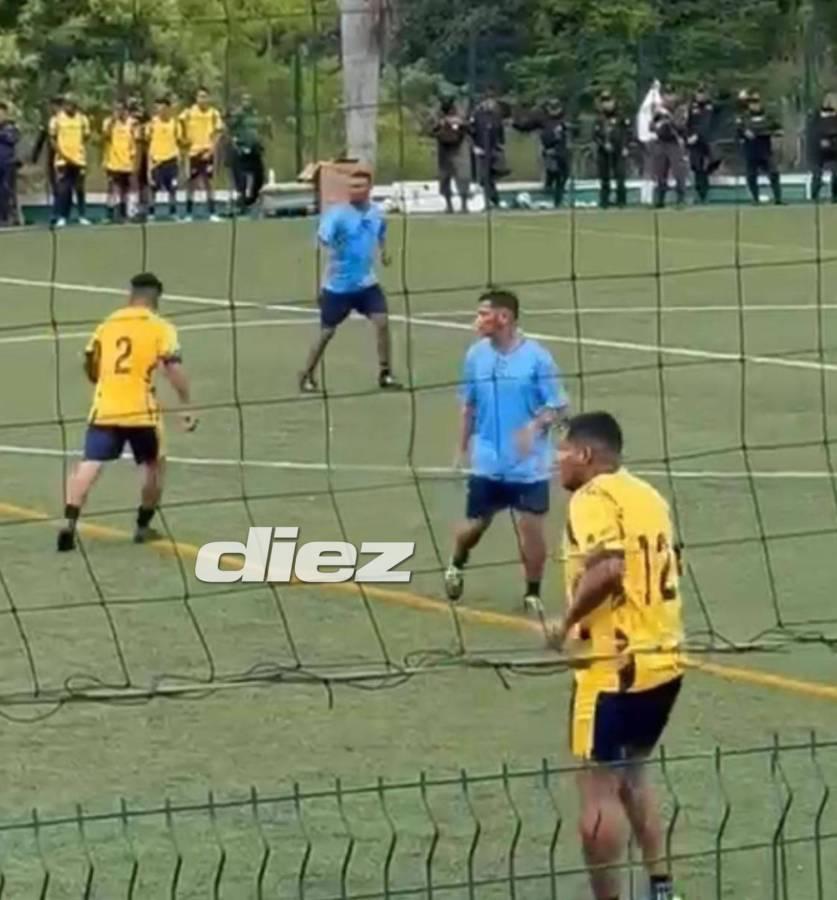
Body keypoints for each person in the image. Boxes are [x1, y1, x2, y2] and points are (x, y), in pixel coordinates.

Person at [546, 411, 684, 900]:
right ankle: (661, 885)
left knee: (598, 791)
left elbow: (608, 570)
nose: (555, 463)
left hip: (612, 671)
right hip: (664, 663)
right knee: (634, 774)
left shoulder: (591, 498)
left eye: (561, 452)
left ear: (585, 455)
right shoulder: (650, 496)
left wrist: (564, 624)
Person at [444, 289, 569, 613]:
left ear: (504, 317)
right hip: (487, 462)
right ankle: (458, 559)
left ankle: (532, 593)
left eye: (483, 314)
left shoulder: (538, 358)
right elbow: (468, 406)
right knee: (475, 526)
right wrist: (460, 449)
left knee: (531, 529)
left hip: (530, 465)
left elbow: (558, 405)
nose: (477, 321)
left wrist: (533, 427)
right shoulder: (475, 356)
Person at [57, 273, 197, 552]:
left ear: (131, 294)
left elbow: (89, 362)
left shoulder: (108, 323)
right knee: (154, 464)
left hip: (106, 407)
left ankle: (70, 523)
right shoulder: (160, 326)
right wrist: (187, 404)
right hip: (142, 412)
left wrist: (104, 381)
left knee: (90, 463)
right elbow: (173, 368)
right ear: (156, 297)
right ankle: (143, 526)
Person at [299, 170, 402, 393]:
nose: (354, 190)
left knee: (382, 322)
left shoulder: (375, 213)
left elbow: (381, 231)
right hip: (338, 287)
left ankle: (385, 373)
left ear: (369, 188)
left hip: (366, 284)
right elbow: (322, 240)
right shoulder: (337, 215)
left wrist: (384, 252)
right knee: (326, 333)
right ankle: (307, 374)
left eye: (359, 186)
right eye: (351, 187)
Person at [513, 98, 572, 208]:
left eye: (556, 108)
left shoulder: (564, 120)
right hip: (550, 152)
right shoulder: (543, 119)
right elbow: (525, 126)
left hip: (562, 152)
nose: (554, 111)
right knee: (555, 172)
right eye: (551, 108)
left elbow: (570, 134)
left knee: (563, 176)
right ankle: (550, 188)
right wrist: (517, 120)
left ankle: (557, 200)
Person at [179, 87, 224, 222]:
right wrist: (184, 141)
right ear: (196, 98)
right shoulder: (188, 113)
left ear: (209, 98)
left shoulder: (213, 114)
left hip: (207, 152)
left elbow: (218, 133)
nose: (202, 99)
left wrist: (211, 150)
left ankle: (212, 212)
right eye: (200, 97)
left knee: (209, 183)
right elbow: (179, 125)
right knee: (191, 183)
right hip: (193, 152)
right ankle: (188, 213)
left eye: (205, 96)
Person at [49, 95, 91, 226]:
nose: (69, 107)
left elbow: (86, 136)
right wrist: (61, 152)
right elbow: (52, 139)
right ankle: (62, 216)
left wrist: (78, 150)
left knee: (79, 188)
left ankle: (82, 215)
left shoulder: (82, 119)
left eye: (72, 104)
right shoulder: (56, 119)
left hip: (79, 160)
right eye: (67, 104)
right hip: (63, 160)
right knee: (64, 189)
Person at [737, 90, 782, 205]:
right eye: (752, 103)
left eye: (756, 103)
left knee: (774, 173)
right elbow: (738, 131)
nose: (755, 106)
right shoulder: (744, 117)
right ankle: (755, 199)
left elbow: (777, 128)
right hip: (751, 151)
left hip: (765, 150)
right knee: (751, 176)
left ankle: (778, 199)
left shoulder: (768, 116)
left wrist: (769, 133)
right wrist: (744, 133)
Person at [430, 94, 470, 214]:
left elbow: (466, 125)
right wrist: (440, 124)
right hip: (444, 149)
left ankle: (464, 205)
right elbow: (430, 129)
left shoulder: (460, 113)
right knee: (444, 178)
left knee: (463, 176)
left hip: (460, 148)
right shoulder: (437, 114)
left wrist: (455, 122)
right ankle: (449, 205)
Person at [227, 92, 265, 213]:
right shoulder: (238, 114)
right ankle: (241, 202)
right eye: (244, 99)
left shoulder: (256, 114)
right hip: (241, 150)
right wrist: (235, 142)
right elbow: (229, 128)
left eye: (249, 99)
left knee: (259, 177)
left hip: (254, 150)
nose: (246, 102)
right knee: (241, 178)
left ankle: (251, 200)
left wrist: (261, 143)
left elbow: (261, 130)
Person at [593, 91, 631, 209]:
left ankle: (621, 201)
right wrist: (604, 144)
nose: (607, 104)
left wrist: (626, 146)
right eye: (604, 102)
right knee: (604, 177)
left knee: (620, 176)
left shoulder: (621, 117)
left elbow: (628, 133)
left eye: (609, 101)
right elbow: (595, 135)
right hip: (604, 151)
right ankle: (604, 201)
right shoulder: (599, 118)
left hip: (619, 151)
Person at [469, 90, 507, 208]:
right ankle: (491, 200)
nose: (491, 104)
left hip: (494, 150)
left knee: (492, 176)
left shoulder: (496, 116)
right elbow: (471, 132)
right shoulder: (477, 115)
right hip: (481, 149)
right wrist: (474, 146)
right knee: (484, 177)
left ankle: (493, 199)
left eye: (493, 101)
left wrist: (501, 145)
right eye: (489, 101)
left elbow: (500, 133)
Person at [650, 90, 687, 208]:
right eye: (666, 95)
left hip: (674, 143)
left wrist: (668, 118)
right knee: (660, 172)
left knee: (678, 172)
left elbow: (680, 126)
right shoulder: (659, 111)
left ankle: (681, 199)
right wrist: (657, 120)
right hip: (661, 143)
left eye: (671, 95)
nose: (668, 98)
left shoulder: (680, 110)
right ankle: (660, 199)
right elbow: (651, 127)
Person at [102, 100, 137, 223]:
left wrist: (133, 158)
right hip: (113, 162)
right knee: (112, 189)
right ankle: (109, 214)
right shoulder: (109, 122)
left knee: (125, 190)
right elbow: (106, 136)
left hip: (127, 163)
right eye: (117, 109)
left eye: (121, 109)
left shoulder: (131, 124)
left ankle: (124, 214)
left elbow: (134, 141)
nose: (119, 112)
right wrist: (113, 120)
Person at [147, 96, 180, 220]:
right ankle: (151, 213)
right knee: (153, 188)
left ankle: (173, 212)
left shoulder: (174, 123)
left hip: (171, 160)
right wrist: (151, 160)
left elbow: (179, 139)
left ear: (168, 108)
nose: (160, 110)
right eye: (157, 107)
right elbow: (148, 139)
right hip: (157, 161)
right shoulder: (152, 123)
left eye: (162, 107)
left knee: (173, 188)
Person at [686, 85, 719, 203]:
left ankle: (706, 175)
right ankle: (701, 194)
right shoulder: (691, 107)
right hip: (695, 142)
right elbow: (687, 124)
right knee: (697, 167)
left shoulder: (711, 106)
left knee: (716, 160)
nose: (701, 96)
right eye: (699, 93)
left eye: (703, 93)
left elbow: (708, 123)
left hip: (708, 139)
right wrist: (688, 137)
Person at [31, 96, 63, 218]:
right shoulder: (49, 122)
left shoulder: (66, 121)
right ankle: (56, 211)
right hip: (52, 157)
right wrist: (34, 156)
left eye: (55, 106)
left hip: (64, 157)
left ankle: (62, 211)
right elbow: (41, 139)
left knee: (64, 185)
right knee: (55, 184)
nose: (52, 109)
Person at [810, 94, 837, 203]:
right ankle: (814, 196)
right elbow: (813, 130)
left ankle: (835, 196)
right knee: (817, 174)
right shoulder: (817, 116)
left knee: (836, 173)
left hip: (834, 148)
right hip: (818, 149)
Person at [0, 102, 21, 227]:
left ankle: (10, 218)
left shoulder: (11, 127)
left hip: (7, 164)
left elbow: (12, 139)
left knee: (8, 190)